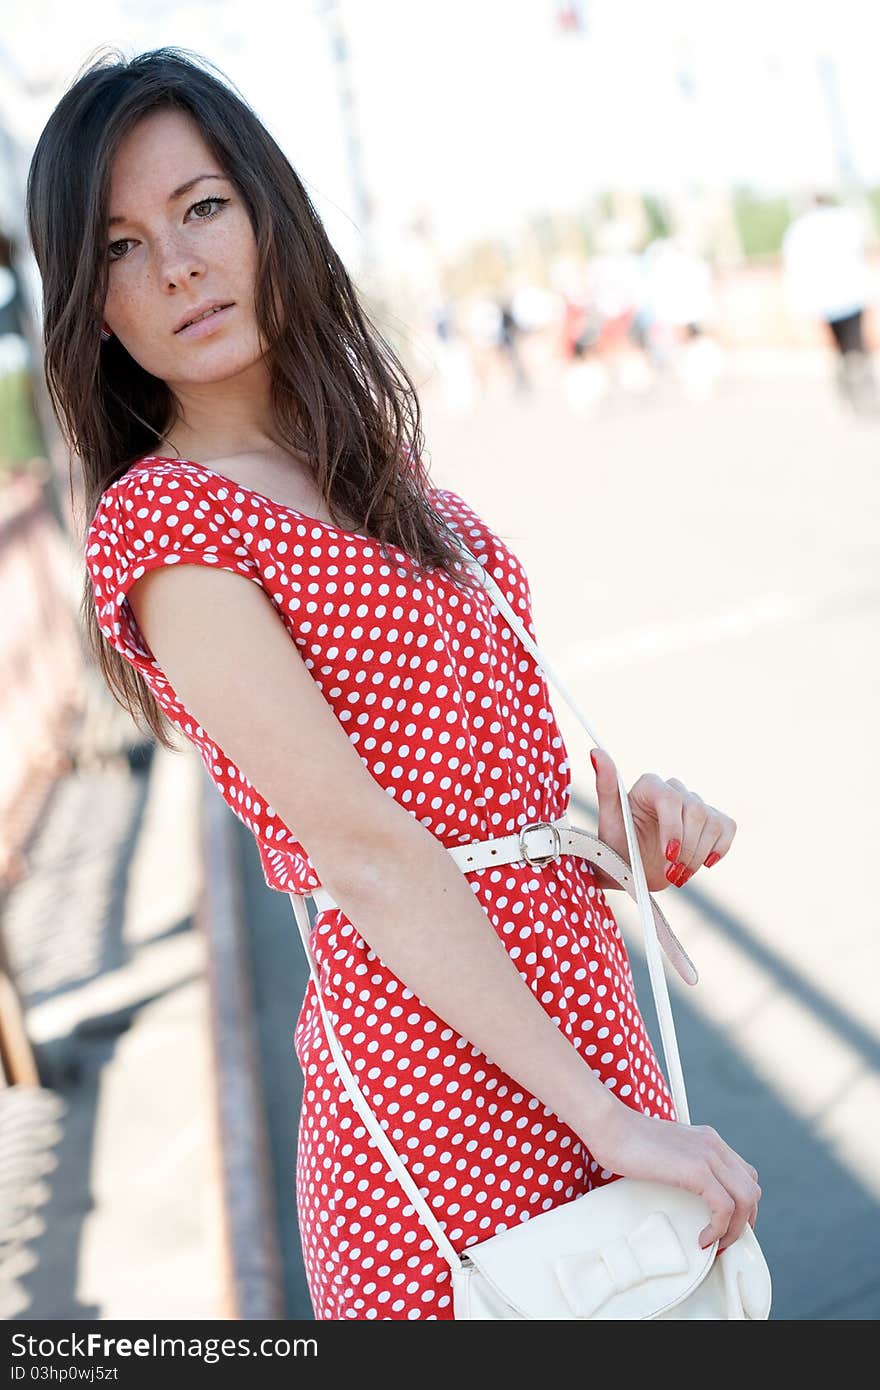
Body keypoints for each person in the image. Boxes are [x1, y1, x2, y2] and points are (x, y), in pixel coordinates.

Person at [26, 47, 761, 1321]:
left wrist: (606, 836)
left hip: (576, 1020)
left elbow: (473, 771)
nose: (179, 265)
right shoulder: (171, 524)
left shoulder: (381, 471)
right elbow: (364, 852)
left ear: (266, 214)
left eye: (201, 209)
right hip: (439, 1098)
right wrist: (603, 1119)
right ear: (95, 307)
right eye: (122, 248)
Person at [781, 192, 878, 414]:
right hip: (852, 295)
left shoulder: (799, 230)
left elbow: (794, 270)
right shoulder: (846, 219)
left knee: (838, 353)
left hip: (823, 301)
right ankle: (867, 397)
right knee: (858, 348)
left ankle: (847, 402)